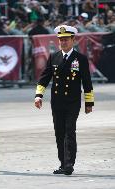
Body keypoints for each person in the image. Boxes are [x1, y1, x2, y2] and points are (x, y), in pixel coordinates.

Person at [34, 25, 94, 175]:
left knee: (69, 131)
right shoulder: (54, 57)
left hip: (72, 102)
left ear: (73, 40)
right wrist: (38, 95)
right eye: (61, 40)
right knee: (59, 132)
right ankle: (62, 163)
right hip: (57, 102)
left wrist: (89, 103)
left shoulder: (80, 59)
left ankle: (69, 164)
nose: (63, 42)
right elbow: (44, 78)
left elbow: (87, 82)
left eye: (66, 39)